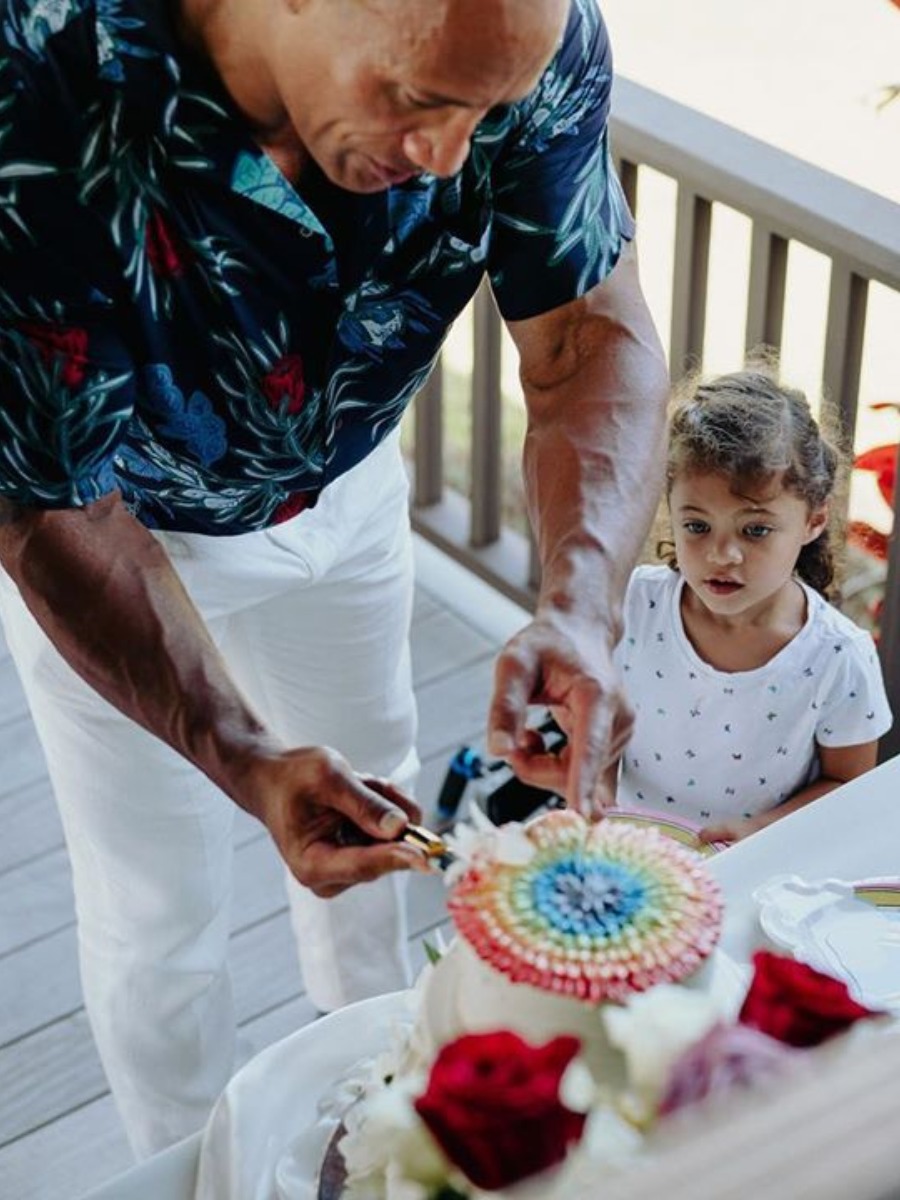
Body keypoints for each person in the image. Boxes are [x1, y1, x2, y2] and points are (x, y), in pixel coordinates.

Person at [0, 0, 668, 1157]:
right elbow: (51, 498)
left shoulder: (529, 37)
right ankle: (194, 1167)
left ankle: (380, 1109)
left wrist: (582, 605)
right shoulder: (35, 74)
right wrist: (239, 753)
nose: (451, 158)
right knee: (159, 910)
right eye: (416, 100)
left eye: (487, 111)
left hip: (356, 500)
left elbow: (585, 337)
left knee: (383, 802)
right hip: (125, 544)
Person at [611, 367, 892, 844]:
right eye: (697, 526)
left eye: (755, 530)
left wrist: (758, 829)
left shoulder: (839, 658)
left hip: (756, 872)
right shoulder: (636, 603)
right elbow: (601, 721)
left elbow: (847, 784)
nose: (722, 556)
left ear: (813, 521)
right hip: (630, 861)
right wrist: (594, 795)